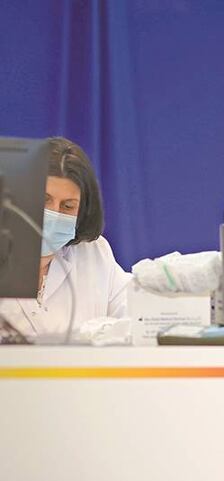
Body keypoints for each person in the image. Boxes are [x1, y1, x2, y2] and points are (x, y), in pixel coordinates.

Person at [0, 137, 130, 340]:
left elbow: (135, 318)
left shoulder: (94, 253)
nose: (53, 214)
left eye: (67, 206)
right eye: (44, 200)